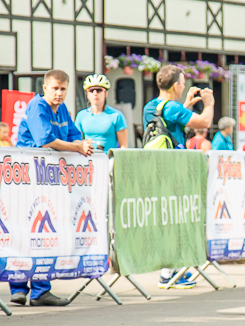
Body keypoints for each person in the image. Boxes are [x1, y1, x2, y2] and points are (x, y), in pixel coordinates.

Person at [11, 70, 94, 306]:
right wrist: (77, 148)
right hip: (27, 176)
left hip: (49, 179)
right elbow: (45, 140)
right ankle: (18, 287)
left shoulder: (64, 110)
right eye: (55, 88)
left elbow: (74, 136)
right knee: (24, 231)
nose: (59, 93)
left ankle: (40, 291)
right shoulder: (38, 106)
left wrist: (83, 144)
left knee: (44, 234)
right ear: (45, 87)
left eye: (63, 89)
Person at [143, 65, 215, 289]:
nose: (184, 86)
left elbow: (169, 120)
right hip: (174, 169)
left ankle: (170, 271)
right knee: (176, 220)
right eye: (183, 83)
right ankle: (168, 273)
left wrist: (186, 106)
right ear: (176, 86)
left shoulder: (150, 106)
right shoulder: (173, 107)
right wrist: (209, 103)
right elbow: (204, 123)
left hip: (157, 167)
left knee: (168, 220)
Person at [75, 74, 128, 151]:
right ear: (87, 94)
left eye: (99, 90)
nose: (95, 93)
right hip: (88, 159)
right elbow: (75, 140)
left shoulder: (116, 116)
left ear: (106, 93)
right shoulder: (81, 115)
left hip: (108, 160)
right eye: (91, 90)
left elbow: (123, 146)